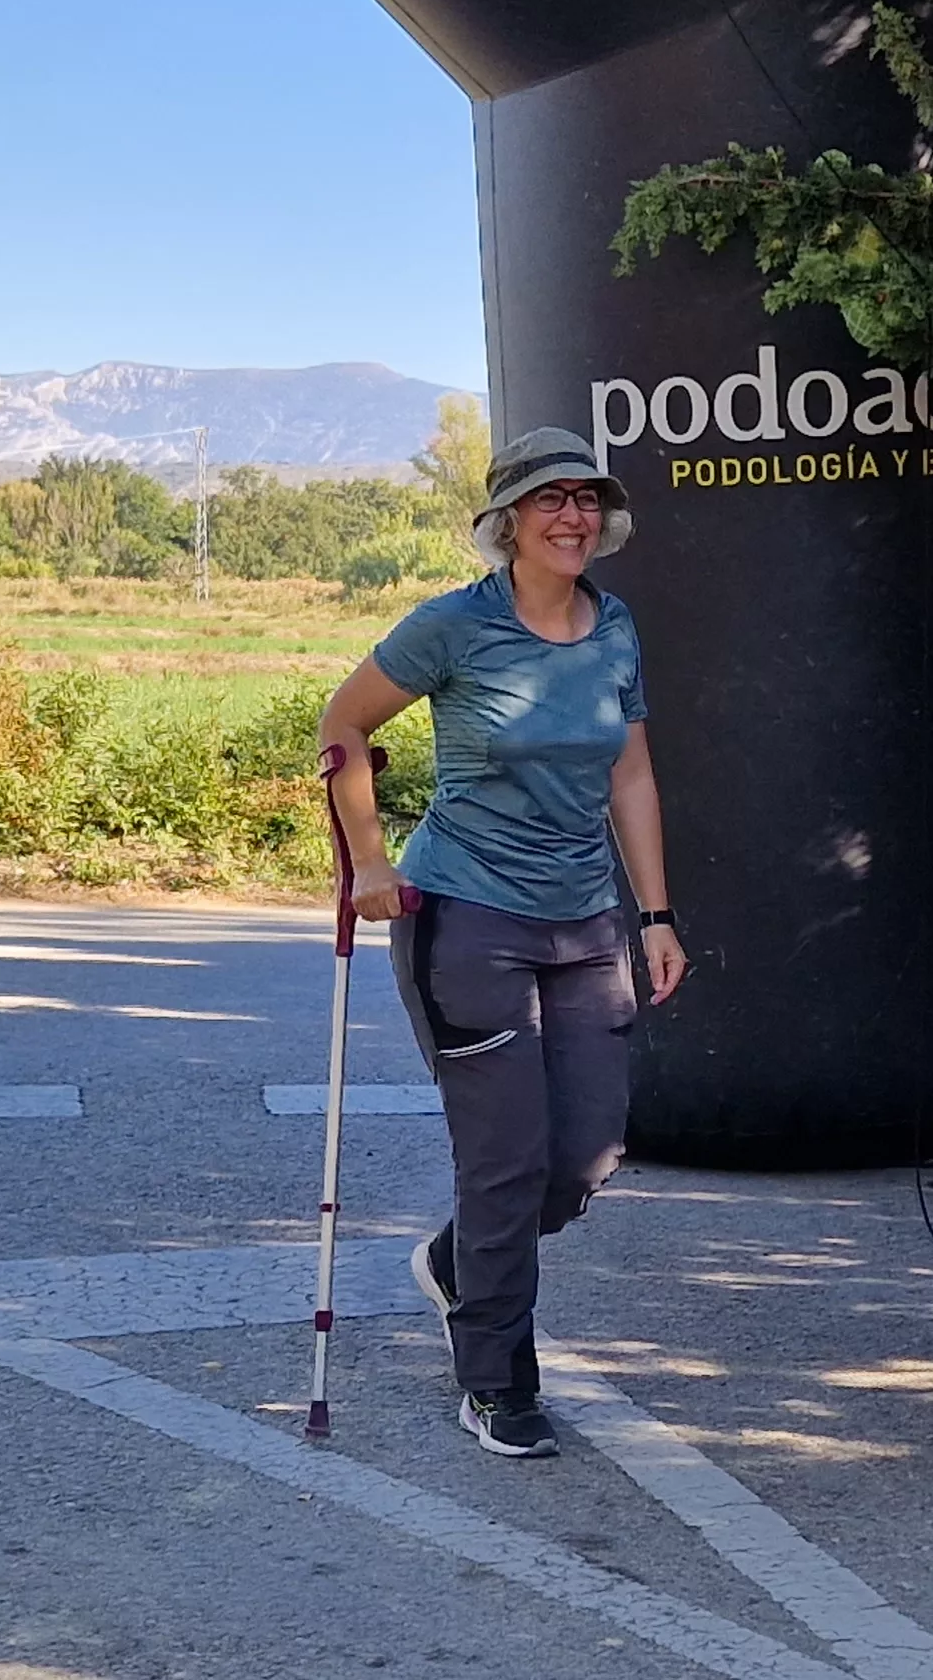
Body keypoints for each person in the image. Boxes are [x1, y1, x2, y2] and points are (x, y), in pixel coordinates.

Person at [318, 426, 689, 1459]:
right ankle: (496, 1378)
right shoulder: (454, 627)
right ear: (507, 522)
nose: (571, 516)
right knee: (504, 1162)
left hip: (586, 922)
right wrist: (370, 861)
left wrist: (654, 915)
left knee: (583, 1160)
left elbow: (631, 776)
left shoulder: (614, 626)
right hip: (466, 917)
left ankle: (456, 1266)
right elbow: (343, 724)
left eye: (585, 498)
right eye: (547, 500)